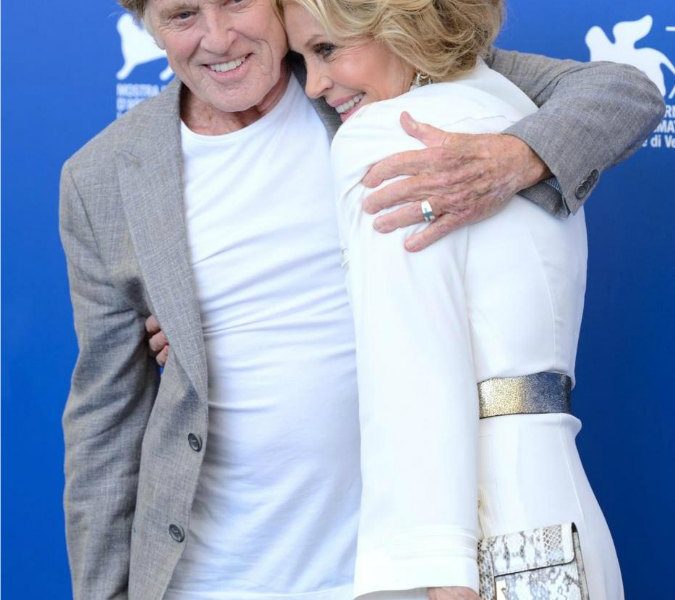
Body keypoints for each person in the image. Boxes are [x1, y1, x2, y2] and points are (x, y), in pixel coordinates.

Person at [59, 0, 663, 599]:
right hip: (206, 574)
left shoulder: (367, 71)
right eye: (182, 15)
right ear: (148, 26)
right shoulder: (103, 178)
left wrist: (510, 158)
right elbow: (104, 422)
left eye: (235, 1)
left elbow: (620, 91)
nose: (216, 38)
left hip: (381, 569)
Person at [272, 0, 633, 598]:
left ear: (396, 23)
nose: (313, 85)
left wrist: (438, 574)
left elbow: (413, 374)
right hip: (561, 513)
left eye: (327, 49)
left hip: (477, 541)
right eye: (300, 59)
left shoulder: (388, 136)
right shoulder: (513, 112)